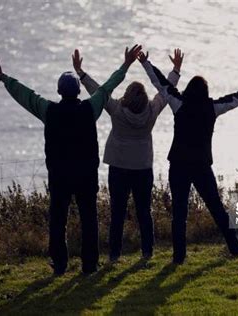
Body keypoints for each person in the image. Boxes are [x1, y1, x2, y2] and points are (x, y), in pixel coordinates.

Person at [0, 44, 142, 275]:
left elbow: (25, 95)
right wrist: (126, 64)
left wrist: (2, 76)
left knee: (58, 222)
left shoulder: (49, 111)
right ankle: (90, 265)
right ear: (78, 92)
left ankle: (59, 264)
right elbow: (108, 87)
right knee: (89, 220)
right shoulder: (90, 108)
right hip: (86, 175)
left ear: (59, 92)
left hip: (59, 176)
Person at [138, 51, 238, 264]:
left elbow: (160, 84)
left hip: (178, 164)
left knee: (179, 213)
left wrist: (145, 62)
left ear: (187, 90)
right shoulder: (212, 108)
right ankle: (235, 247)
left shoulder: (179, 103)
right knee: (216, 207)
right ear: (205, 92)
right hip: (201, 165)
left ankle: (179, 258)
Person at [71, 48, 184, 262]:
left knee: (117, 214)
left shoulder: (116, 110)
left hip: (119, 167)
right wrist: (176, 70)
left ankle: (114, 255)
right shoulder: (152, 110)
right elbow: (166, 91)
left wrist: (81, 73)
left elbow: (99, 92)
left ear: (127, 96)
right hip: (142, 168)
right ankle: (147, 252)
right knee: (144, 212)